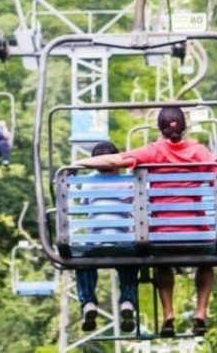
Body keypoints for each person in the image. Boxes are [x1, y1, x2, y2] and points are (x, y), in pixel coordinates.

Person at [74, 107, 217, 337]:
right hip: (197, 233)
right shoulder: (199, 151)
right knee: (206, 263)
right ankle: (201, 311)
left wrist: (80, 162)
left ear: (159, 129)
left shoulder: (153, 151)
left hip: (162, 235)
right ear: (184, 127)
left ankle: (169, 312)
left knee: (162, 263)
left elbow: (116, 160)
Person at [75, 142, 139, 333]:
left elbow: (85, 205)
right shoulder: (128, 181)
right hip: (122, 241)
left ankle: (88, 303)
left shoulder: (87, 182)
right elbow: (132, 204)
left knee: (83, 261)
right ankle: (127, 301)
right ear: (117, 162)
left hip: (95, 241)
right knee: (130, 261)